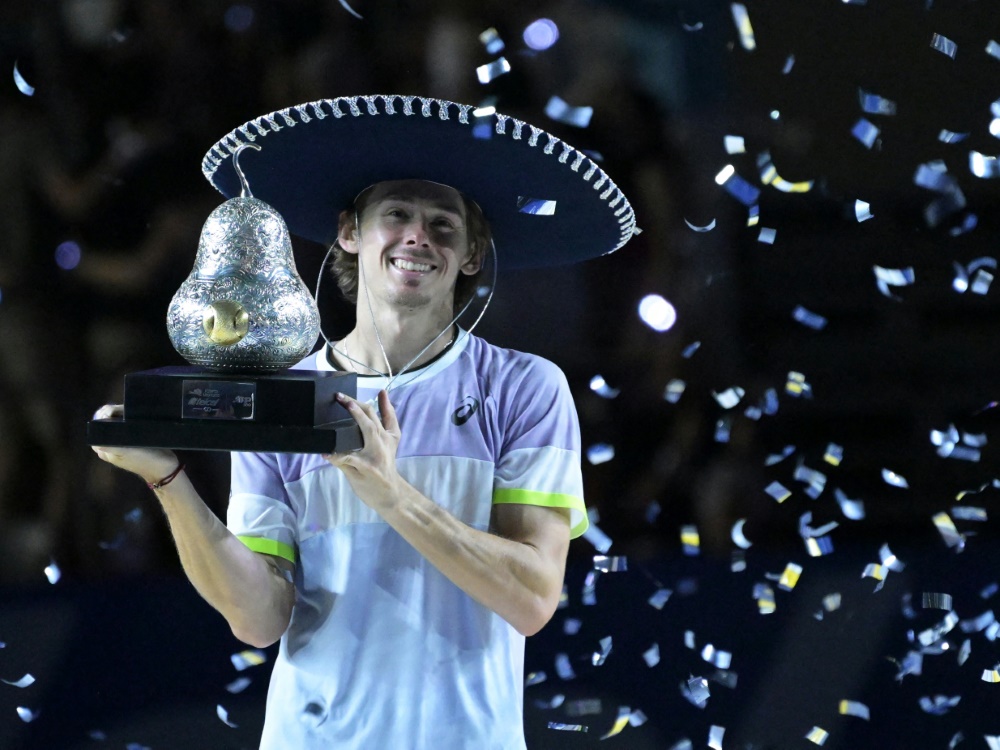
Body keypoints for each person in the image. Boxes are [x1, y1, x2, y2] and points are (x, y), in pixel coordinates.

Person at [93, 94, 635, 749]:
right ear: (350, 232)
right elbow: (260, 619)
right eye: (397, 215)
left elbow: (532, 599)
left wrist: (390, 493)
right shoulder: (282, 399)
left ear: (471, 254)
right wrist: (169, 480)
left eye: (444, 225)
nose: (417, 237)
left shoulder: (524, 388)